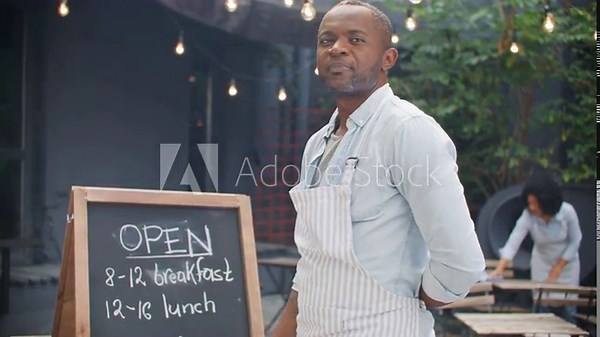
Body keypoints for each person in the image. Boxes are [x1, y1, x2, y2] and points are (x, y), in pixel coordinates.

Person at [272, 1, 485, 336]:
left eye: (355, 40)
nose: (337, 49)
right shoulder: (317, 144)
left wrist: (404, 301)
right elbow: (313, 259)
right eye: (327, 41)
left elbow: (461, 262)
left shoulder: (408, 131)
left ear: (388, 59)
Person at [491, 173, 582, 322]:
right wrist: (501, 267)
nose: (532, 207)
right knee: (542, 308)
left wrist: (559, 266)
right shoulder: (528, 215)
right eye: (530, 203)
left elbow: (576, 240)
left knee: (568, 310)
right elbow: (514, 240)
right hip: (542, 264)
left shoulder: (567, 212)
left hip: (566, 267)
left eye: (536, 203)